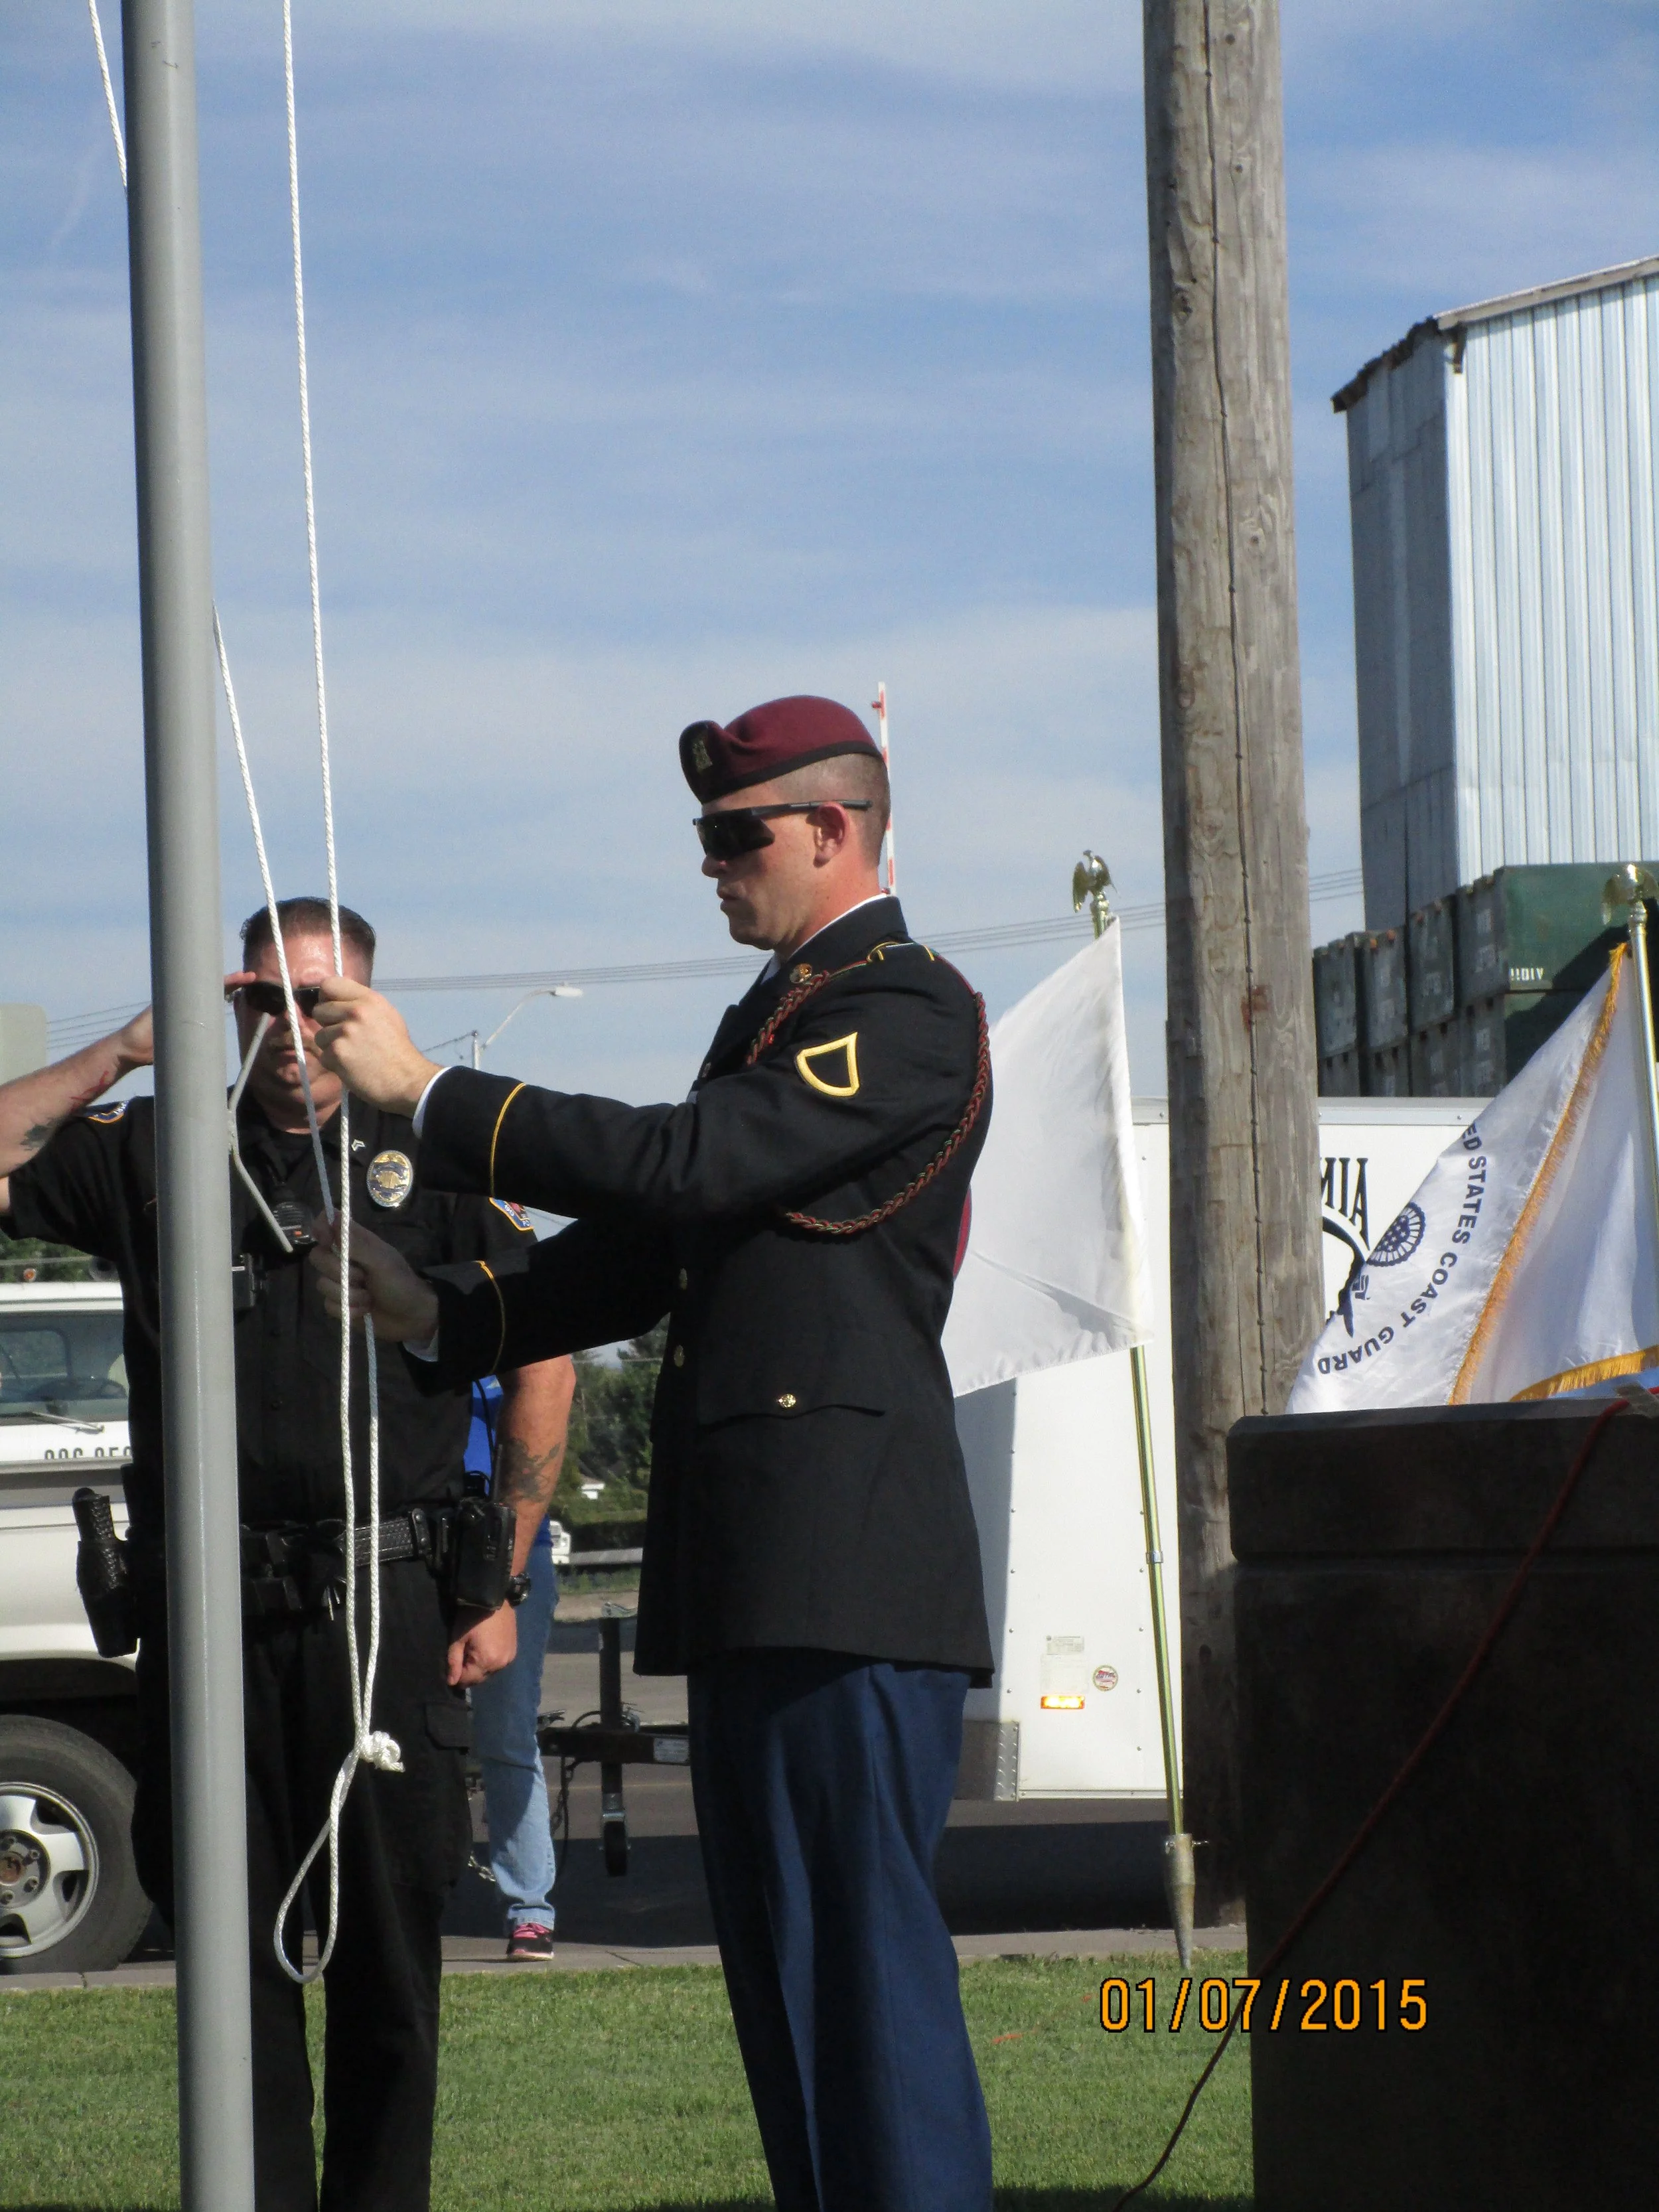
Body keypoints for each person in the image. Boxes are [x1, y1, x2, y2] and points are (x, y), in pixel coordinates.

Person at [309, 697, 997, 2212]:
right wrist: (446, 1310)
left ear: (832, 831)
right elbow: (648, 1247)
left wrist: (430, 1094)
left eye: (736, 834)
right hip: (772, 1565)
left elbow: (682, 1164)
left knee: (867, 1992)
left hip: (847, 1569)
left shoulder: (905, 1005)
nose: (710, 863)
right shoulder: (777, 1013)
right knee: (793, 1992)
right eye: (703, 836)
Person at [0, 895, 573, 2212]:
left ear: (367, 1008)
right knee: (232, 1963)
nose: (294, 1029)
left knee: (389, 1967)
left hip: (390, 1600)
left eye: (322, 1003)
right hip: (215, 1609)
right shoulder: (159, 1152)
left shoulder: (428, 1159)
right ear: (235, 1001)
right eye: (266, 999)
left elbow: (540, 1352)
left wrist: (501, 1577)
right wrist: (126, 1049)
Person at [466, 1374, 567, 1958]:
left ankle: (530, 1905)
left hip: (515, 1547)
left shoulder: (515, 1350)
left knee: (505, 1731)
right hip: (406, 1540)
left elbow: (549, 1397)